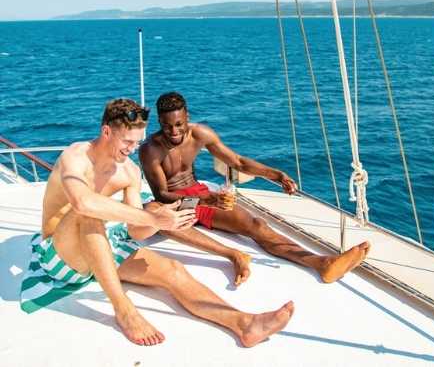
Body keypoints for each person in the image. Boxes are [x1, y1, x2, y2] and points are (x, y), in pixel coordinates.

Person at [25, 98, 293, 347]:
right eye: (127, 142)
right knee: (87, 213)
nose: (132, 149)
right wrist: (152, 216)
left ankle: (245, 324)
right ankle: (124, 309)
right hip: (60, 255)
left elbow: (135, 231)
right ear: (107, 132)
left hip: (101, 246)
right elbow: (83, 203)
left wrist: (163, 221)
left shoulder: (128, 171)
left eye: (137, 142)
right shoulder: (77, 156)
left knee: (173, 270)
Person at [139, 92, 370, 286]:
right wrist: (208, 199)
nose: (174, 131)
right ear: (159, 122)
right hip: (175, 202)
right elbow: (162, 194)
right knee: (155, 215)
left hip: (199, 194)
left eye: (179, 124)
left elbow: (238, 162)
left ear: (187, 117)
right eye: (167, 126)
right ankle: (232, 255)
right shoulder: (150, 149)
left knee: (256, 225)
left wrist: (276, 175)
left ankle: (322, 263)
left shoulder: (201, 134)